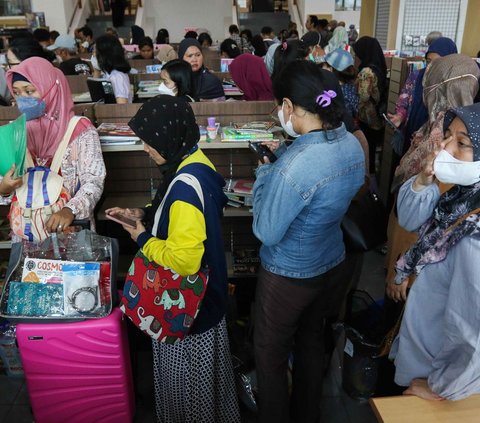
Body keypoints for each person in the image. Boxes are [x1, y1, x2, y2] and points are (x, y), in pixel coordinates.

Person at [105, 95, 241, 422]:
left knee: (187, 389)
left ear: (168, 137)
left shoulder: (183, 189)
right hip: (209, 301)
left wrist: (142, 238)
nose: (144, 148)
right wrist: (144, 214)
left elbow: (183, 262)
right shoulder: (194, 162)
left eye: (148, 141)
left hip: (187, 311)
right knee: (207, 386)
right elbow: (178, 215)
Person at [252, 60, 364, 423]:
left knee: (270, 355)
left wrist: (266, 171)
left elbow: (266, 231)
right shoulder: (350, 142)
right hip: (330, 262)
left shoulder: (297, 161)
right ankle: (307, 413)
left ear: (288, 106)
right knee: (311, 341)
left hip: (288, 273)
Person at [388, 102, 480, 401]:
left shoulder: (473, 237)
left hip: (435, 374)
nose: (446, 148)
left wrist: (441, 386)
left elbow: (472, 333)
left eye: (463, 144)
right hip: (425, 349)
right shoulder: (460, 197)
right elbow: (411, 219)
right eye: (448, 136)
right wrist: (424, 180)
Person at [385, 54, 479, 292]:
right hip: (413, 226)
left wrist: (406, 270)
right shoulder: (454, 123)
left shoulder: (450, 129)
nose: (447, 147)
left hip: (415, 240)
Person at [0, 57, 105, 239]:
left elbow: (94, 180)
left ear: (52, 89)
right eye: (16, 93)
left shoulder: (80, 130)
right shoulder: (15, 132)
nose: (22, 99)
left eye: (30, 91)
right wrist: (4, 188)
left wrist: (69, 210)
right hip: (28, 234)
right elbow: (4, 180)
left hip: (71, 231)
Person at [387, 37, 457, 155]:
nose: (431, 66)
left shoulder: (453, 82)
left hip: (434, 141)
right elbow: (404, 99)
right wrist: (400, 116)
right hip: (412, 130)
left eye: (438, 62)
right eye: (429, 61)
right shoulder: (417, 75)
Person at [352, 36, 388, 174]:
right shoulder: (378, 66)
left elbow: (363, 96)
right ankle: (372, 176)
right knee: (371, 147)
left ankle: (367, 177)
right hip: (377, 116)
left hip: (367, 117)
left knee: (366, 148)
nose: (356, 56)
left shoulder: (366, 72)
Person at [93, 34, 132, 104]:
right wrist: (96, 69)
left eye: (96, 52)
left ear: (104, 55)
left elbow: (122, 106)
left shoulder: (117, 77)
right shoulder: (110, 74)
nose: (94, 55)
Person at [323, 48, 358, 120]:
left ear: (331, 69)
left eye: (325, 65)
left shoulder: (335, 93)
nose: (323, 68)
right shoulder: (350, 87)